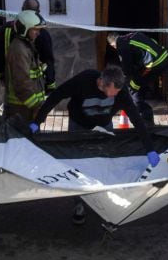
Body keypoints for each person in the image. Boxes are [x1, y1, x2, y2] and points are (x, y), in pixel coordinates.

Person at [32, 66, 160, 225]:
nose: (116, 95)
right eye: (113, 91)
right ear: (102, 83)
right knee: (77, 167)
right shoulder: (83, 80)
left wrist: (149, 149)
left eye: (118, 91)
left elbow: (136, 118)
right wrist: (38, 121)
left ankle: (105, 204)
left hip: (104, 127)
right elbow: (56, 96)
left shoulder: (121, 91)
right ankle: (79, 205)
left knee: (106, 163)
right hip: (78, 125)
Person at [0, 0, 56, 91]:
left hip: (11, 82)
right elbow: (48, 60)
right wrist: (50, 84)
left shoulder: (7, 29)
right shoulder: (42, 33)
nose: (36, 33)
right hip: (33, 85)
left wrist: (0, 75)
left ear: (22, 9)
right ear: (38, 12)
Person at [107, 31, 168, 125]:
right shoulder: (133, 35)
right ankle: (145, 110)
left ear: (112, 44)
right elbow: (151, 42)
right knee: (138, 84)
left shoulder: (122, 46)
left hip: (155, 63)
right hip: (164, 56)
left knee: (133, 89)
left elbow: (127, 69)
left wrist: (123, 78)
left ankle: (147, 118)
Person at [2, 10, 48, 125]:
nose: (38, 33)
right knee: (24, 140)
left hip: (26, 107)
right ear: (24, 29)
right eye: (35, 29)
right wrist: (36, 106)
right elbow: (22, 83)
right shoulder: (19, 50)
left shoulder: (26, 46)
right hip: (22, 110)